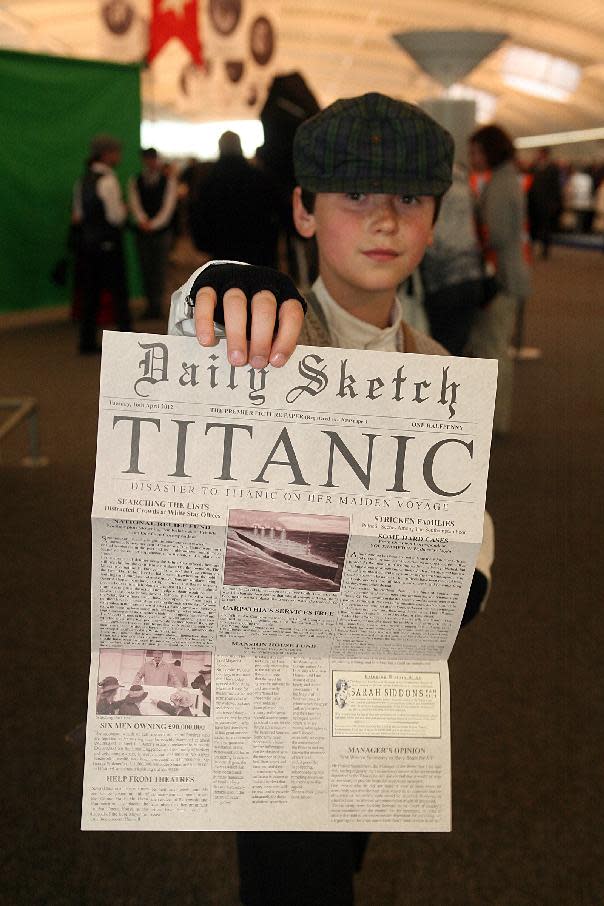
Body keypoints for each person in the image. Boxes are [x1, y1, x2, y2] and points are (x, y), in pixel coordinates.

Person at [169, 93, 495, 905]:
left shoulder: (435, 363)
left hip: (379, 687)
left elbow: (464, 504)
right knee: (296, 878)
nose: (384, 220)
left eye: (409, 200)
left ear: (432, 220)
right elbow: (194, 329)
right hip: (271, 688)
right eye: (354, 196)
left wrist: (470, 574)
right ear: (303, 212)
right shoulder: (260, 339)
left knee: (345, 847)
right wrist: (222, 287)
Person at [467, 124, 531, 435]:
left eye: (476, 151)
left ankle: (493, 421)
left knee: (492, 348)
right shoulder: (508, 179)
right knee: (495, 347)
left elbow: (498, 234)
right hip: (510, 274)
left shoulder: (501, 184)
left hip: (501, 278)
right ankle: (494, 419)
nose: (472, 157)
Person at [188, 130, 281, 267]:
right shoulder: (258, 177)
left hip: (221, 249)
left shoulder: (209, 181)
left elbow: (199, 213)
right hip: (257, 249)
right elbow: (275, 209)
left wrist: (203, 243)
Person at [73, 134, 131, 353]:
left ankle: (86, 341)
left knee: (91, 295)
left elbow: (78, 215)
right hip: (109, 244)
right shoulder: (108, 180)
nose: (118, 156)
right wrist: (124, 210)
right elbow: (116, 217)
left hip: (88, 245)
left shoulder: (83, 180)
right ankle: (127, 342)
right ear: (107, 154)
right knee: (119, 295)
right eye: (116, 152)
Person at [420, 162, 485, 354]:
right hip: (471, 274)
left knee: (437, 344)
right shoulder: (465, 183)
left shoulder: (427, 183)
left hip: (441, 278)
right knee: (457, 343)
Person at [128, 148, 178, 319]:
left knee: (160, 268)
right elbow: (134, 203)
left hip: (162, 231)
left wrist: (154, 223)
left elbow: (168, 206)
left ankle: (158, 304)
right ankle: (150, 304)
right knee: (146, 268)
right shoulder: (136, 180)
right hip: (143, 231)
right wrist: (143, 221)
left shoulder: (168, 180)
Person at [527, 147, 562, 259]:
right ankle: (530, 248)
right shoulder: (533, 167)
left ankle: (545, 250)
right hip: (533, 203)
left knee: (546, 227)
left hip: (546, 203)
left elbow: (556, 187)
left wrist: (555, 203)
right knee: (533, 227)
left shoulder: (552, 168)